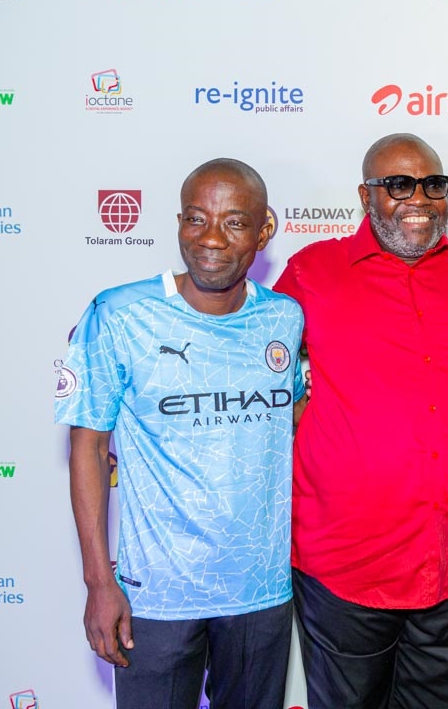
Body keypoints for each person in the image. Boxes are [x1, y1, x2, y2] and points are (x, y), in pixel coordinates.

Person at [55, 158, 305, 709]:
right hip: (157, 596)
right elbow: (89, 447)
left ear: (264, 231)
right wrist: (99, 582)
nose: (211, 238)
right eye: (196, 219)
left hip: (260, 590)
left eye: (234, 222)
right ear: (179, 222)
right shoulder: (118, 314)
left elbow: (298, 421)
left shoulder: (285, 318)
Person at [273, 133, 448, 709]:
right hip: (346, 558)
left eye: (432, 185)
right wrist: (311, 411)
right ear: (365, 195)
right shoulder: (312, 270)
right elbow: (255, 365)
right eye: (398, 184)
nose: (418, 198)